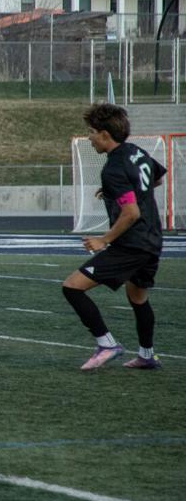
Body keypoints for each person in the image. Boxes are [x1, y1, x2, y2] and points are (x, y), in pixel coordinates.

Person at [62, 104, 166, 371]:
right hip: (153, 238)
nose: (89, 138)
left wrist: (103, 240)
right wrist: (114, 191)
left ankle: (107, 344)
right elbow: (156, 180)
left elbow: (130, 213)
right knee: (138, 297)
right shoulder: (137, 153)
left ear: (106, 134)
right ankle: (147, 355)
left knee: (72, 287)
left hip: (131, 243)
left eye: (92, 132)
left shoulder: (113, 168)